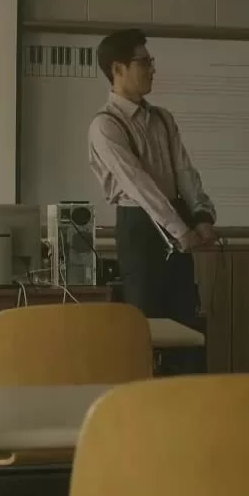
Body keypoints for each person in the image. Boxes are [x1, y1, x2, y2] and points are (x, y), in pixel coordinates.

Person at [87, 28, 218, 376]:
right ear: (118, 69)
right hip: (140, 228)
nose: (152, 68)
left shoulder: (162, 118)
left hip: (175, 219)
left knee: (186, 323)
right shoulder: (105, 125)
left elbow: (184, 171)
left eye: (150, 61)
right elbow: (139, 185)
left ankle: (190, 399)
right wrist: (180, 230)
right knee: (148, 327)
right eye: (144, 62)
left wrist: (201, 215)